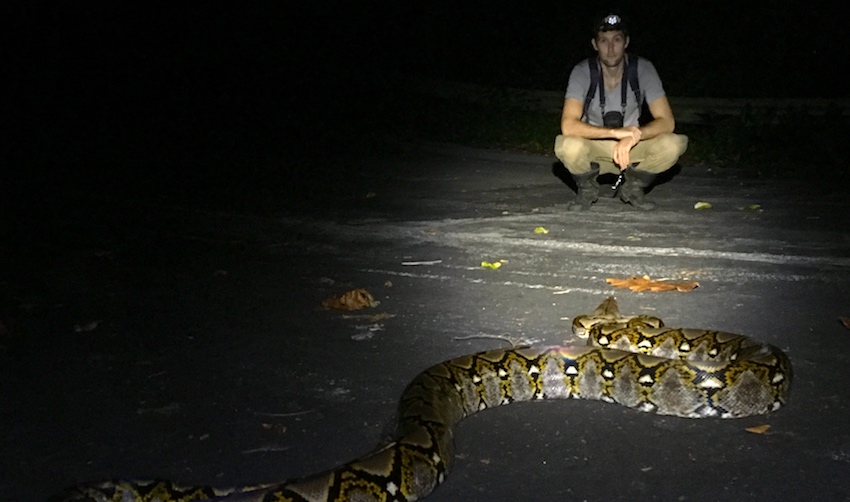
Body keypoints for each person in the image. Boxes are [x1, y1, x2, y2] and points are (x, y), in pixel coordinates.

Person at [554, 14, 688, 210]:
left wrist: (634, 135)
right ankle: (587, 189)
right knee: (566, 145)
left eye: (616, 40)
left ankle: (633, 186)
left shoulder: (643, 68)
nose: (610, 48)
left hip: (632, 149)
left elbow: (667, 121)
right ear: (594, 44)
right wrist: (615, 133)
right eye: (603, 41)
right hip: (595, 148)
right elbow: (568, 124)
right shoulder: (582, 71)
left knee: (674, 143)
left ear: (626, 42)